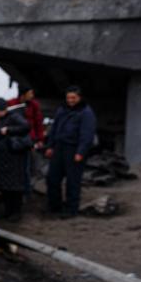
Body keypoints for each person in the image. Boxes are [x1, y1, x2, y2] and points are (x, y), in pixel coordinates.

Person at [45, 86, 97, 217]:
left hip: (74, 149)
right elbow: (54, 128)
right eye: (68, 97)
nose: (70, 100)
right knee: (52, 178)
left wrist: (80, 152)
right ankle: (54, 207)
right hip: (59, 147)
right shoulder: (62, 109)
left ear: (79, 98)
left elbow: (87, 135)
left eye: (73, 98)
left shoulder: (86, 112)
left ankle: (71, 210)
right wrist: (50, 146)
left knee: (73, 181)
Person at [0, 98, 33, 221]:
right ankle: (8, 211)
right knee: (5, 188)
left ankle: (16, 212)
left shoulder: (13, 117)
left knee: (15, 188)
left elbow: (26, 126)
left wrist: (8, 130)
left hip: (13, 160)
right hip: (3, 160)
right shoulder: (1, 120)